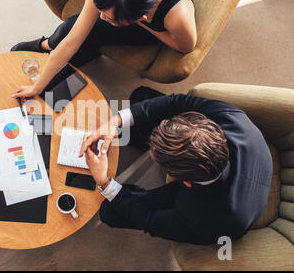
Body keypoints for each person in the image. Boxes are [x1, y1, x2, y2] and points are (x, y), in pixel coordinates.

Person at [79, 87, 273, 245]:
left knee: (110, 212)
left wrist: (104, 182)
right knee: (141, 96)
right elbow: (179, 102)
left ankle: (131, 191)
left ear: (185, 182)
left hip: (216, 206)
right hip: (238, 166)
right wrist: (115, 121)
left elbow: (149, 220)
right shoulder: (231, 118)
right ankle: (137, 139)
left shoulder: (205, 219)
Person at [11, 0, 196, 100]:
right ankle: (44, 45)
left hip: (150, 29)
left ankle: (76, 62)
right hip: (131, 13)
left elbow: (185, 46)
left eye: (108, 17)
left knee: (89, 37)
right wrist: (37, 86)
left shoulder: (178, 16)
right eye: (101, 11)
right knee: (70, 28)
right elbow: (71, 42)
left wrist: (146, 26)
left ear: (139, 18)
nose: (100, 17)